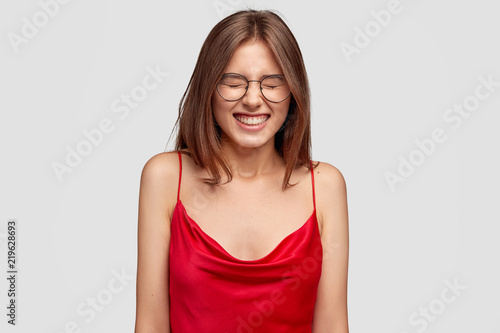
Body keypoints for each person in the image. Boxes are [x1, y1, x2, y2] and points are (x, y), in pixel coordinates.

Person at [134, 9, 349, 333]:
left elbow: (332, 326)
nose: (252, 99)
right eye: (232, 83)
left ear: (293, 92)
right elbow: (149, 324)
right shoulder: (165, 178)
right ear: (208, 88)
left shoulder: (325, 186)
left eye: (272, 84)